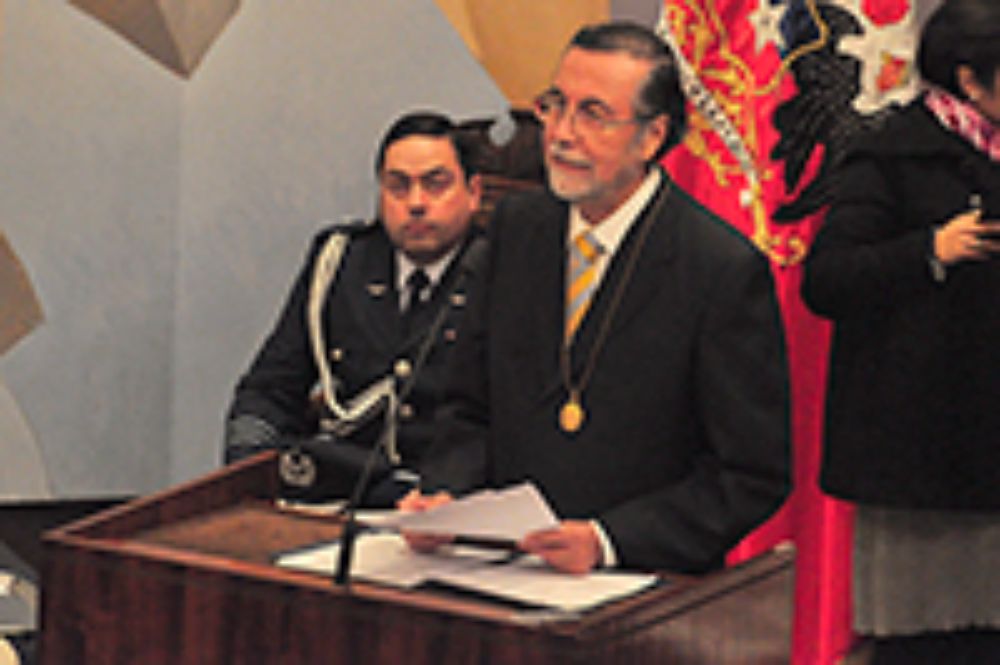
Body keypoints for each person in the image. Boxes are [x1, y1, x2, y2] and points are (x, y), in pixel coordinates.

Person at [402, 21, 791, 575]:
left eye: (593, 115)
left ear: (653, 136)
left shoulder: (719, 268)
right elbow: (468, 405)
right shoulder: (518, 228)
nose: (561, 134)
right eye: (555, 105)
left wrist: (610, 541)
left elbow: (750, 475)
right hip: (501, 572)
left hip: (642, 587)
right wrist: (445, 493)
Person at [802, 1, 1000, 661]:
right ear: (971, 80)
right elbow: (826, 280)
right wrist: (929, 251)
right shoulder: (891, 155)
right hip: (924, 457)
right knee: (933, 644)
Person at [224, 111, 483, 506]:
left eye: (436, 185)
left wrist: (446, 492)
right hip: (337, 493)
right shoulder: (341, 261)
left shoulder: (499, 273)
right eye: (398, 187)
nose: (416, 203)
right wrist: (247, 474)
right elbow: (271, 388)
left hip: (442, 506)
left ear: (474, 193)